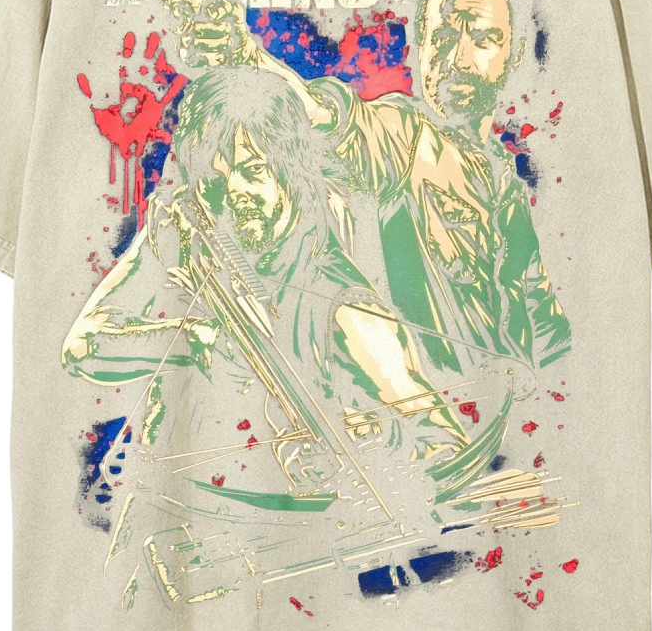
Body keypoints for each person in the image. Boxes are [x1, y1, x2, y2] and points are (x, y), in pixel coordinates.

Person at [62, 65, 472, 492]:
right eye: (214, 177)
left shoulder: (344, 308)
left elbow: (441, 443)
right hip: (165, 506)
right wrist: (193, 339)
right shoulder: (185, 223)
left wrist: (370, 460)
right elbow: (81, 346)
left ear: (290, 167)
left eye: (253, 169)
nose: (232, 191)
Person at [182, 0, 571, 382]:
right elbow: (322, 113)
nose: (458, 60)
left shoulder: (507, 184)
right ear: (418, 45)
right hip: (422, 409)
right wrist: (244, 53)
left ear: (515, 54)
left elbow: (548, 330)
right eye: (443, 39)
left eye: (482, 41)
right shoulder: (403, 136)